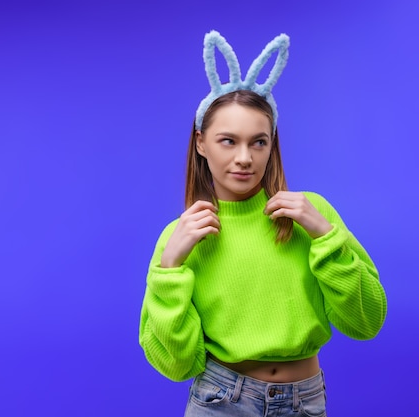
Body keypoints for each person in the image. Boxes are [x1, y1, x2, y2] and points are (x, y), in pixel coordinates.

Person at [139, 30, 387, 417]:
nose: (244, 158)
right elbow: (177, 366)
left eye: (258, 142)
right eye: (228, 141)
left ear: (272, 145)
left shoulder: (311, 213)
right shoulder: (181, 236)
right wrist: (169, 270)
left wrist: (325, 236)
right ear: (201, 143)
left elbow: (366, 322)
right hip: (219, 402)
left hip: (304, 401)